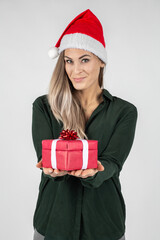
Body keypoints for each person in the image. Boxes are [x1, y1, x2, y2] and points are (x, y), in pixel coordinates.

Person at [32, 9, 138, 240]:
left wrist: (96, 170)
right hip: (53, 222)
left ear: (101, 61)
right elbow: (45, 156)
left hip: (103, 224)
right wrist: (51, 169)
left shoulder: (124, 111)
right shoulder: (44, 106)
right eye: (69, 61)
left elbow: (113, 162)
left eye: (85, 60)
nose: (75, 70)